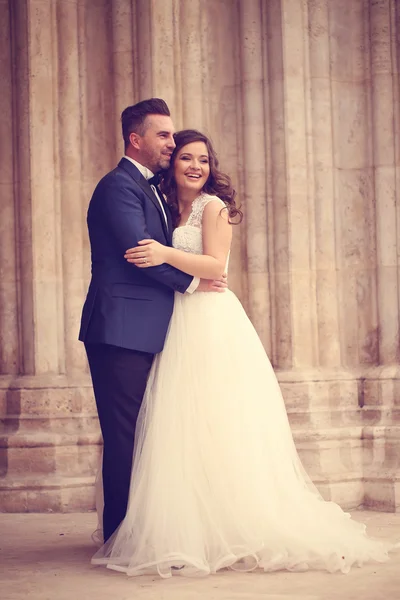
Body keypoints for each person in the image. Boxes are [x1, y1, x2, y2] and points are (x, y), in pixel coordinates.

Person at [92, 129, 396, 577]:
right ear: (172, 166)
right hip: (179, 319)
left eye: (204, 160)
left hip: (211, 319)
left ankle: (233, 524)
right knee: (182, 426)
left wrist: (162, 253)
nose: (196, 166)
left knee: (220, 420)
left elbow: (218, 266)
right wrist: (166, 253)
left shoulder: (214, 207)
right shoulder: (169, 207)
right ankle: (189, 524)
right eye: (186, 159)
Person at [79, 101, 226, 544]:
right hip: (120, 328)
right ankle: (120, 537)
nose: (171, 142)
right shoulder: (118, 187)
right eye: (164, 136)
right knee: (125, 436)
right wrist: (191, 285)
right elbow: (139, 254)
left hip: (148, 329)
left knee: (145, 434)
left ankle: (136, 531)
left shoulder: (154, 192)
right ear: (135, 140)